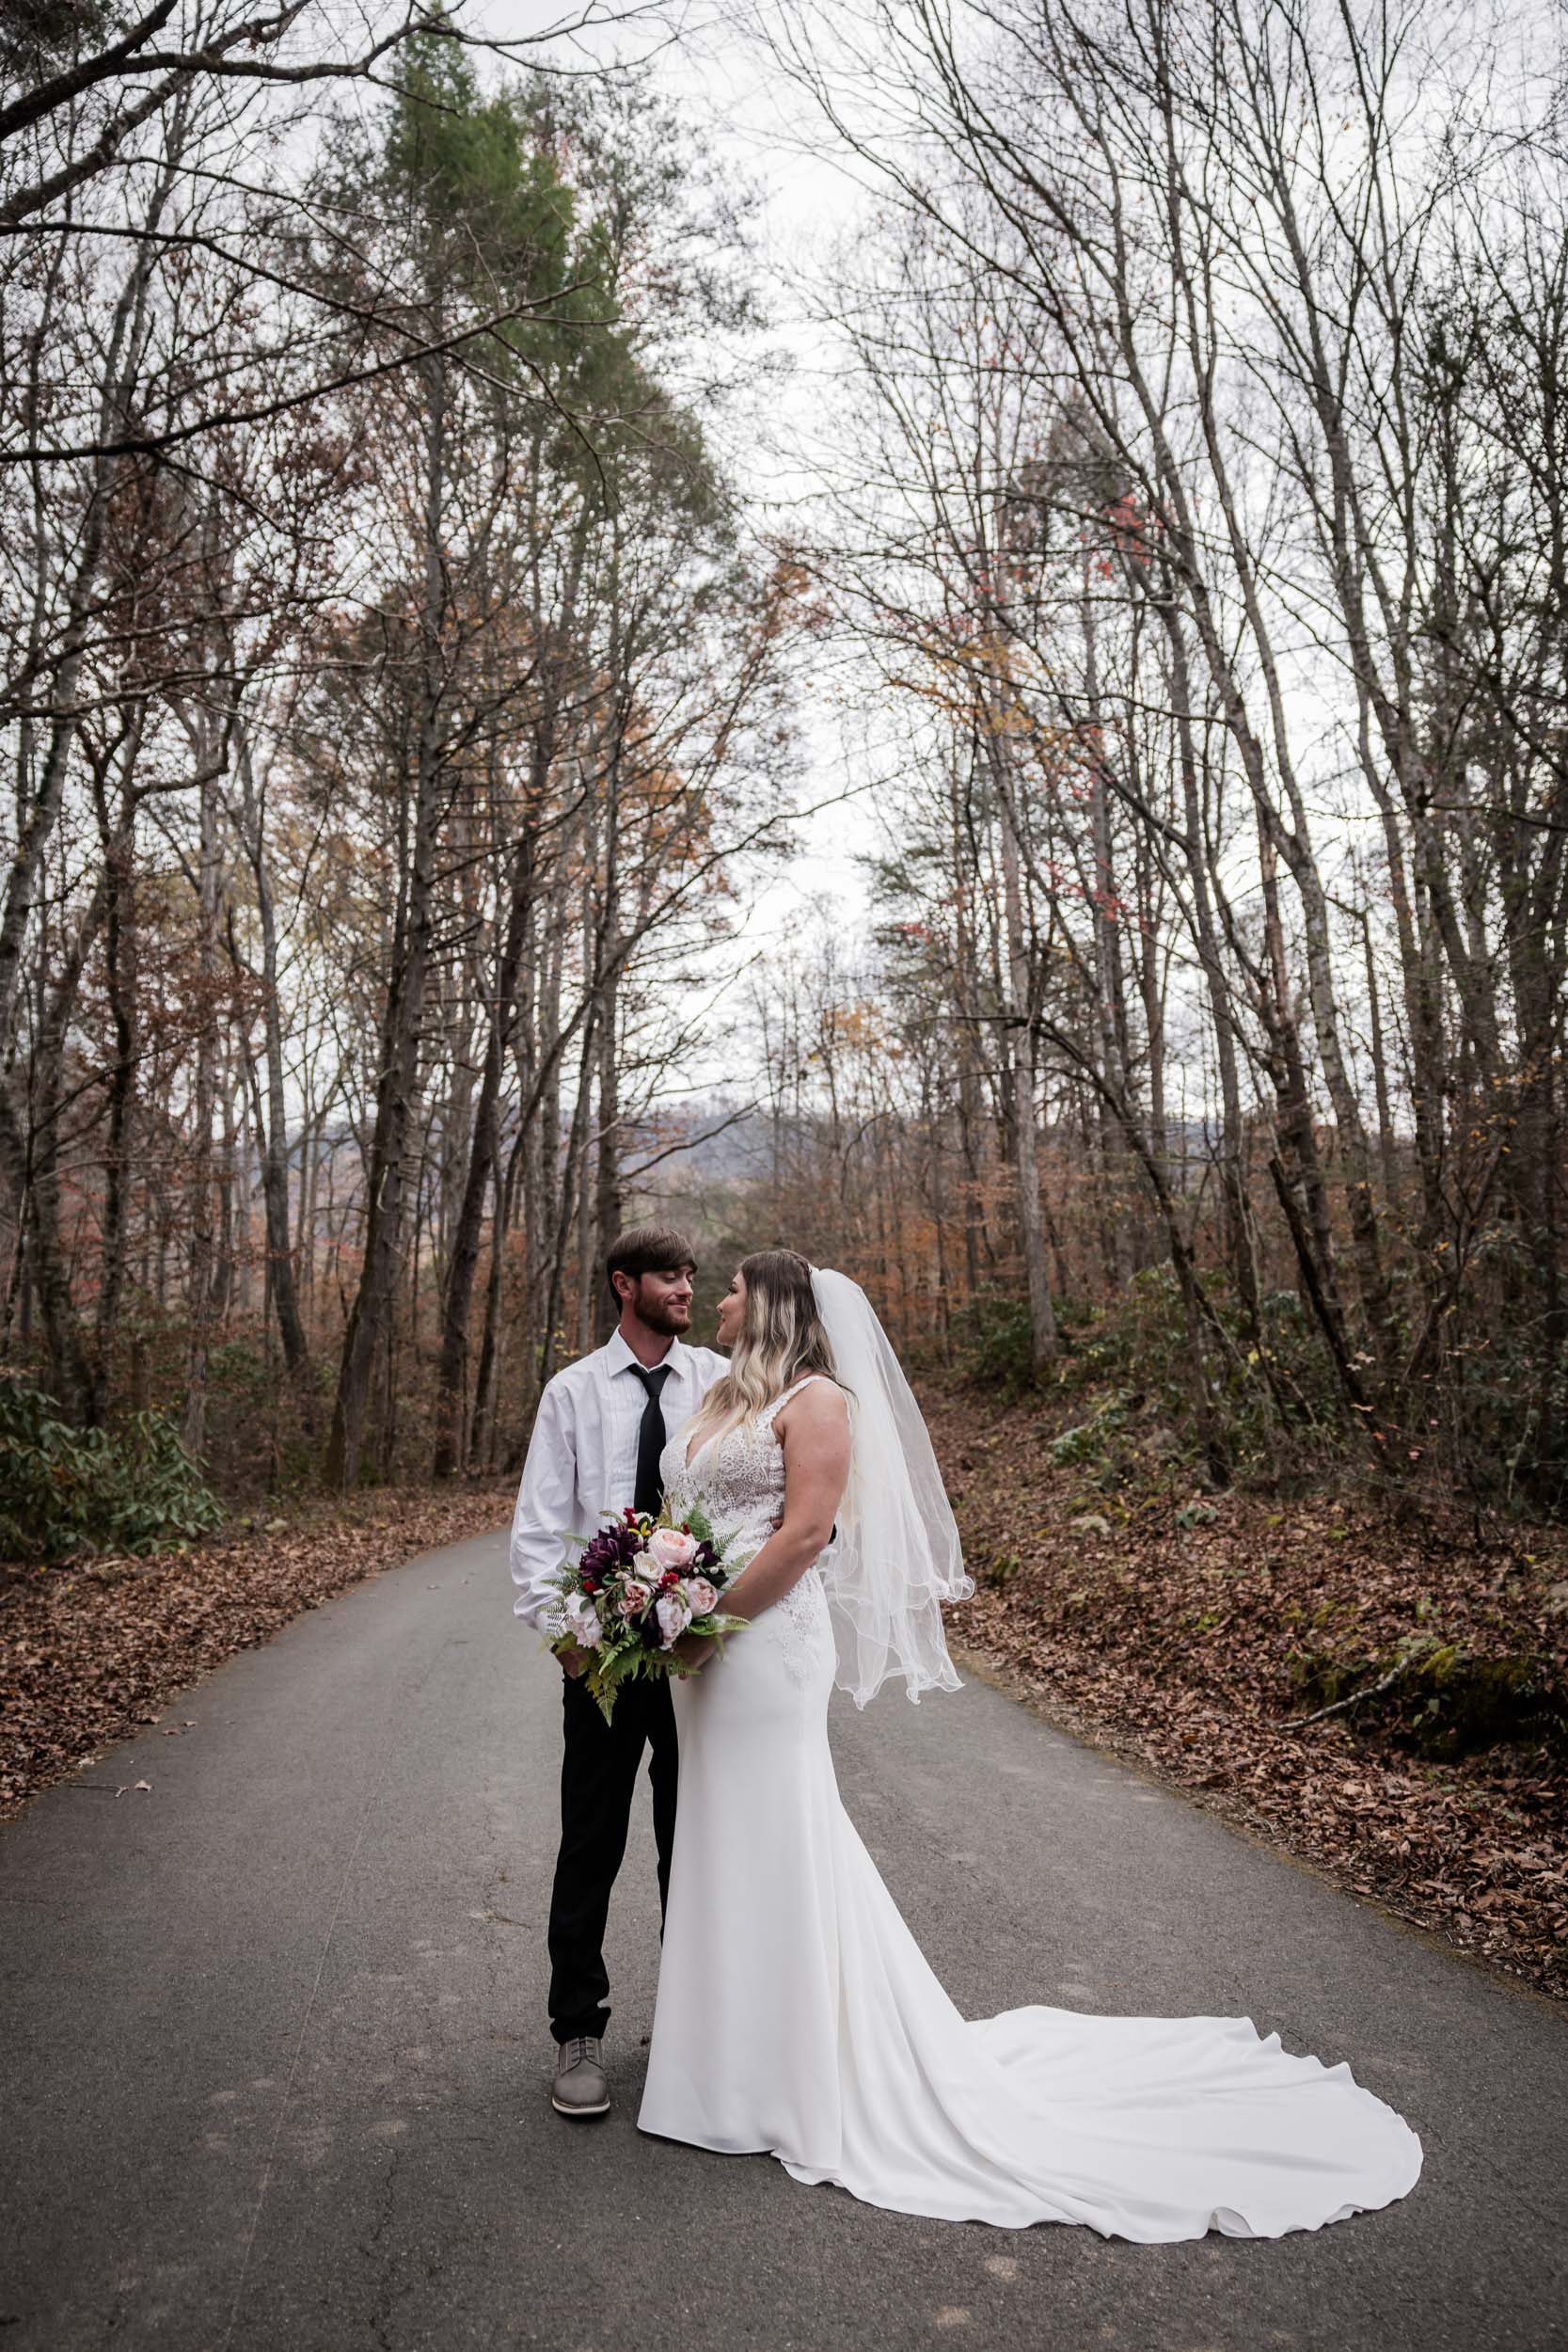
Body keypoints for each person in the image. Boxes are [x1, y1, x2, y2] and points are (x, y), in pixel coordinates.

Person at [639, 1249, 1423, 2241]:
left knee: (776, 1834)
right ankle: (719, 2054)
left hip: (758, 1647)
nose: (718, 1299)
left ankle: (787, 2070)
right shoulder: (718, 1395)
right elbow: (685, 1515)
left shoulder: (818, 1399)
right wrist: (658, 1598)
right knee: (715, 1836)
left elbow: (801, 1537)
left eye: (736, 1288)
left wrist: (712, 1622)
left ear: (776, 1303)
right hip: (696, 1651)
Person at [510, 1225, 725, 2120]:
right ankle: (576, 2031)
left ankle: (691, 2025)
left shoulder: (717, 1382)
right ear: (622, 1284)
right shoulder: (571, 1390)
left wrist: (715, 1622)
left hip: (703, 1655)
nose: (684, 1287)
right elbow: (539, 1525)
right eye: (669, 1276)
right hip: (601, 1658)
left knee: (698, 1841)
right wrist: (567, 1640)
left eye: (689, 1276)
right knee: (591, 1841)